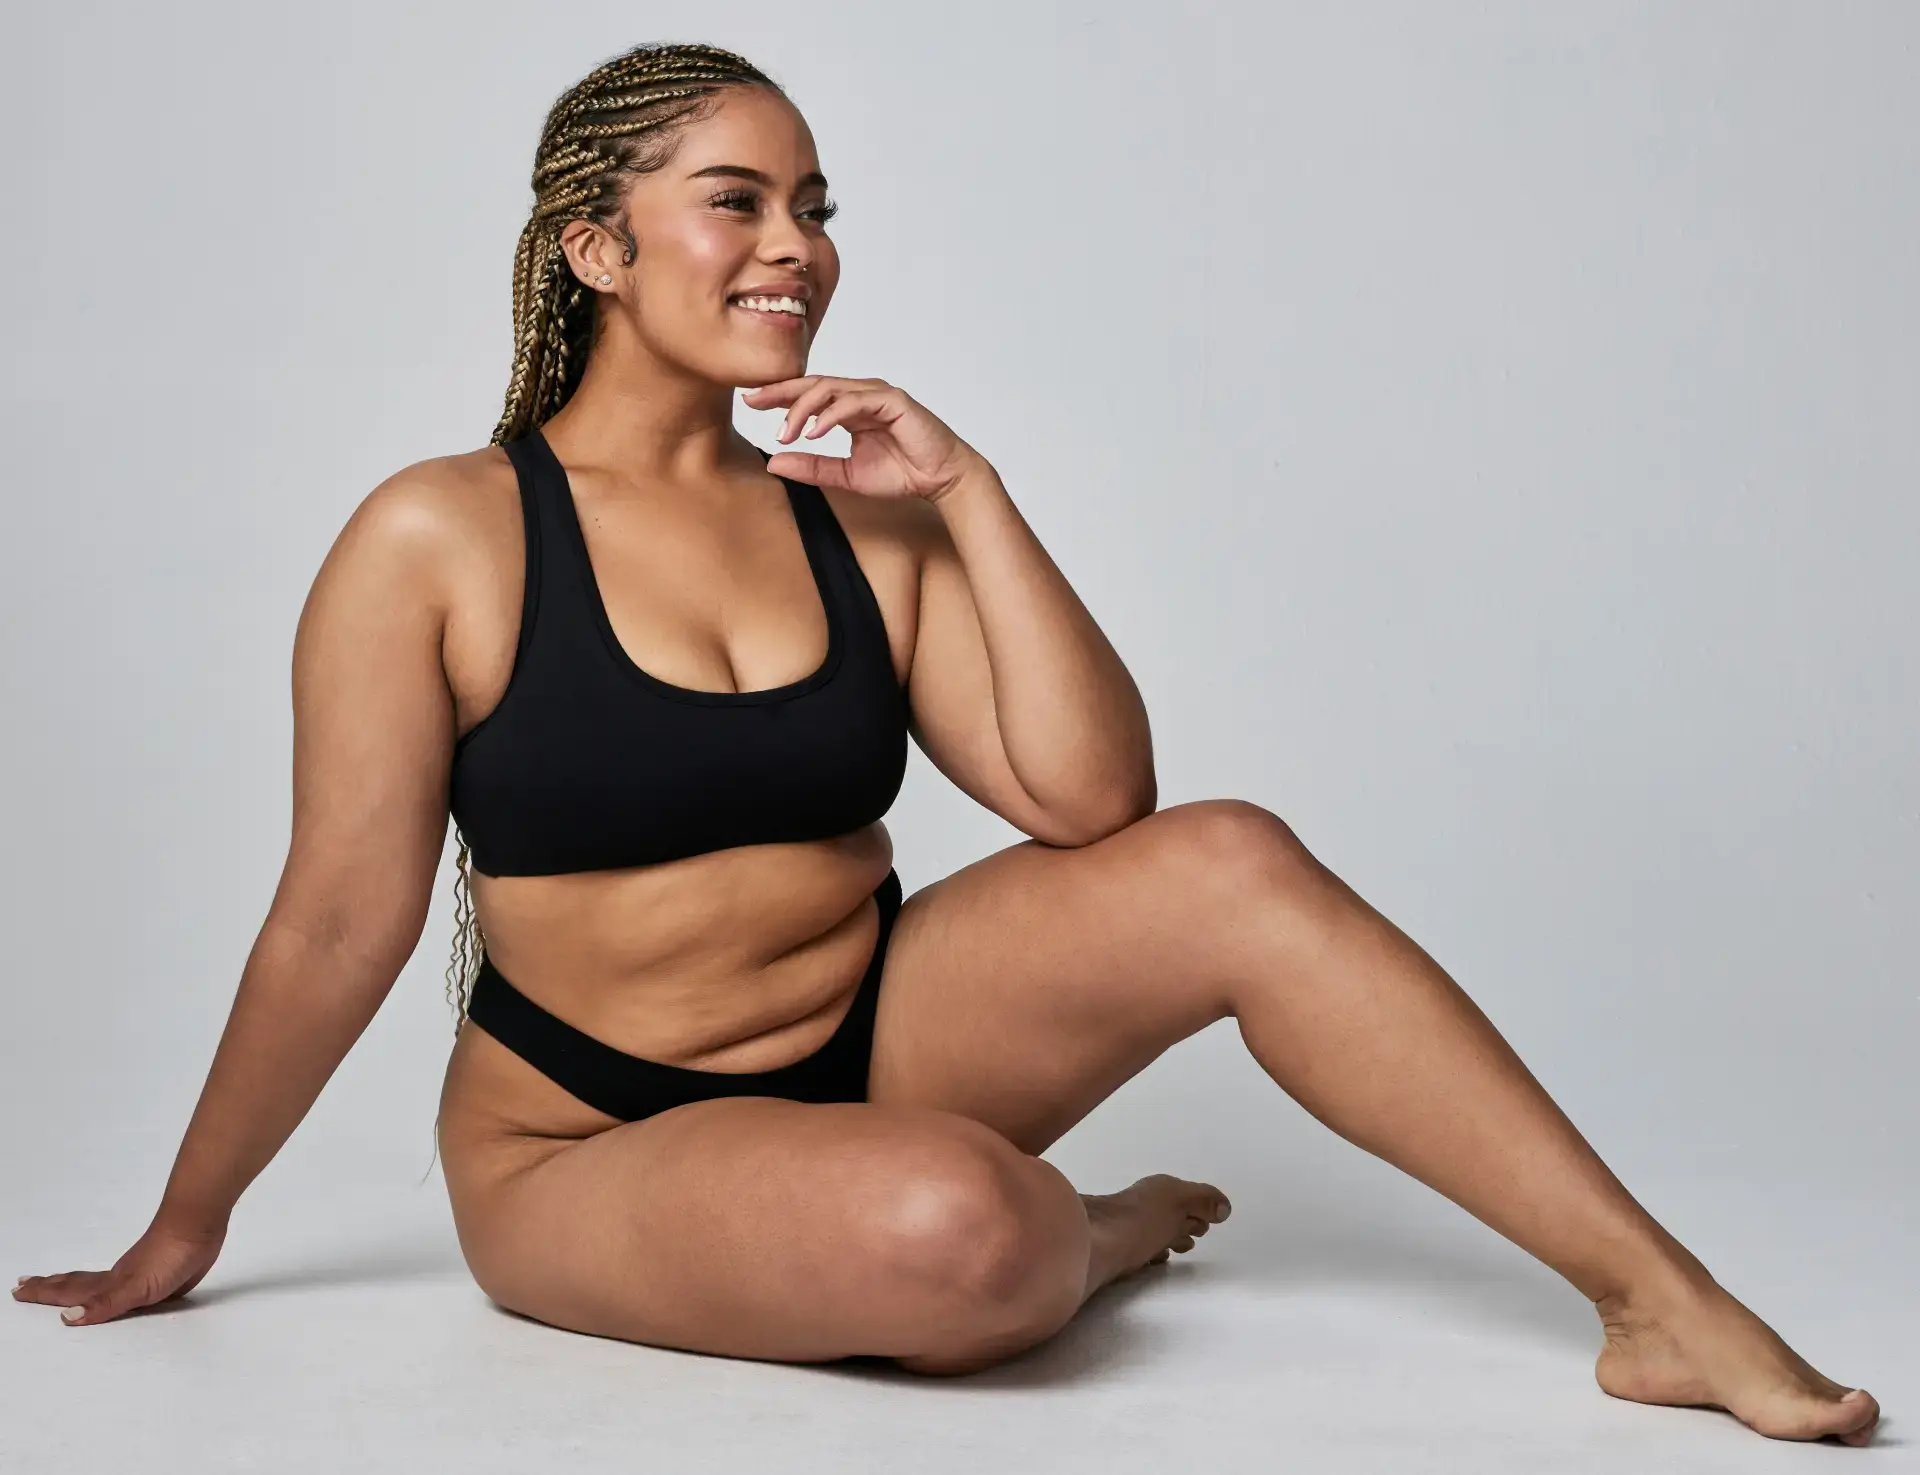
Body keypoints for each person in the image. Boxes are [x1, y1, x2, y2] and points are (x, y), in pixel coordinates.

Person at [10, 41, 1878, 1446]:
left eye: (816, 205)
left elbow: (1093, 802)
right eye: (736, 199)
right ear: (596, 242)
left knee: (1229, 854)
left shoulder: (855, 512)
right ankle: (1100, 1227)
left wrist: (969, 491)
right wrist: (188, 1223)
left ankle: (1662, 1303)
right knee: (970, 1239)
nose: (796, 246)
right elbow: (338, 923)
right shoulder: (439, 534)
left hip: (881, 1032)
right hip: (591, 1143)